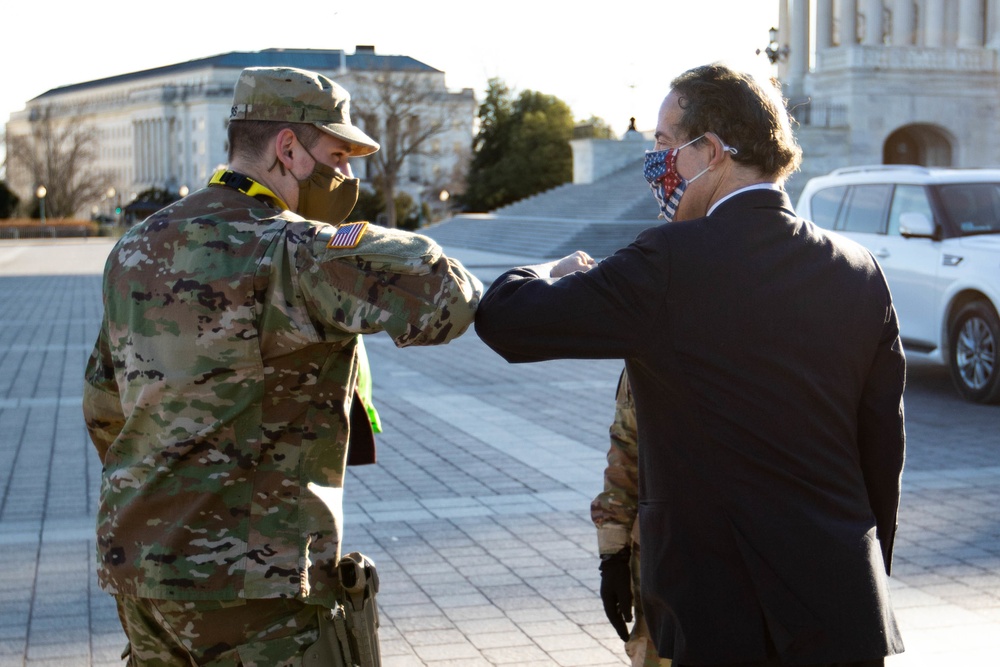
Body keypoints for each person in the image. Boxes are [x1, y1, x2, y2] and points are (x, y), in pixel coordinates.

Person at [475, 63, 905, 667]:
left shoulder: (668, 261)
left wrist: (552, 270)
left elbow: (505, 319)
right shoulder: (857, 267)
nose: (656, 164)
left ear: (710, 151)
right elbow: (882, 448)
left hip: (718, 612)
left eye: (663, 145)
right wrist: (866, 569)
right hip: (844, 604)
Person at [83, 66, 482, 665]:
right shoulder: (292, 249)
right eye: (338, 157)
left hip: (140, 564)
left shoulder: (137, 245)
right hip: (252, 581)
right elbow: (444, 297)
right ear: (288, 149)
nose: (346, 177)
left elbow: (103, 407)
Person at [592, 368, 671, 667]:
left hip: (755, 568)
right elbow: (626, 455)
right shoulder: (648, 353)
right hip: (665, 568)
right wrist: (613, 557)